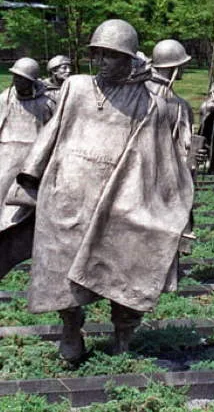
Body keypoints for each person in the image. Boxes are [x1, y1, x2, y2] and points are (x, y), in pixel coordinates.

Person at [11, 20, 193, 366]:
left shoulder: (150, 102)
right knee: (60, 266)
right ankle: (70, 330)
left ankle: (123, 335)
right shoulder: (76, 88)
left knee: (125, 265)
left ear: (129, 58)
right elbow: (53, 132)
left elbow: (161, 158)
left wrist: (173, 207)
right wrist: (31, 178)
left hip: (121, 196)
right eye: (99, 54)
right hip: (68, 193)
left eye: (112, 55)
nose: (103, 61)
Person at [0, 58, 56, 279]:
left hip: (31, 159)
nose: (17, 82)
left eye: (23, 79)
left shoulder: (46, 102)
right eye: (15, 77)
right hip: (5, 156)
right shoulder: (5, 98)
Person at [149, 39, 196, 172]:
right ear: (174, 67)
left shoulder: (139, 91)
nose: (184, 69)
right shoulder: (179, 104)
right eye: (182, 65)